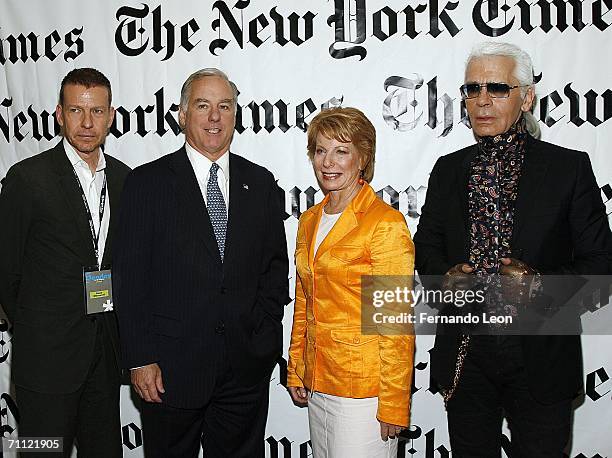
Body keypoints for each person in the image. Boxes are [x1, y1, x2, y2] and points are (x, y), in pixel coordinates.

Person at [414, 42, 611, 457]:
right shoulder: (448, 169)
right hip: (466, 354)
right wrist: (444, 276)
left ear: (527, 97)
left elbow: (600, 265)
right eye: (472, 89)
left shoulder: (568, 168)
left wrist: (540, 285)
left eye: (497, 88)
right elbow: (426, 246)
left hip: (540, 354)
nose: (481, 100)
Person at [113, 68, 289, 458]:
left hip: (244, 373)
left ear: (235, 115)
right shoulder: (147, 183)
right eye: (203, 105)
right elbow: (128, 280)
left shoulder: (259, 183)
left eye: (224, 106)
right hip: (169, 373)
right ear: (181, 113)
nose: (215, 117)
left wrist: (260, 337)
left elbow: (274, 271)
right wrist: (141, 358)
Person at [0, 68, 130, 457]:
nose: (87, 123)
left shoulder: (125, 179)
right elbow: (6, 271)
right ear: (59, 114)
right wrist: (39, 329)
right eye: (76, 111)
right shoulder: (27, 178)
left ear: (110, 115)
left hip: (104, 355)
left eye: (97, 112)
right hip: (45, 361)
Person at [286, 107, 415, 457]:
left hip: (364, 392)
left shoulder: (384, 223)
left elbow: (394, 321)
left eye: (341, 150)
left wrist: (393, 402)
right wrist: (297, 367)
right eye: (320, 150)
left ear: (363, 157)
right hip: (318, 382)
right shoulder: (310, 220)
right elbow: (304, 303)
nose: (328, 162)